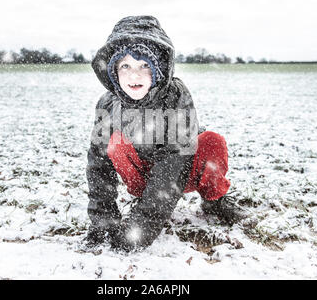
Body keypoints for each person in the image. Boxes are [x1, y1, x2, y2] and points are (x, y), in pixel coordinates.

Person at [85, 15, 242, 253]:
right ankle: (142, 198)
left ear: (158, 67)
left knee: (212, 142)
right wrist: (103, 219)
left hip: (178, 171)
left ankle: (215, 201)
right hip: (141, 175)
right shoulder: (108, 104)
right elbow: (98, 165)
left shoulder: (175, 96)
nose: (134, 76)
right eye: (125, 66)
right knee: (114, 143)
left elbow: (174, 162)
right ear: (113, 70)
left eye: (144, 65)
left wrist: (140, 228)